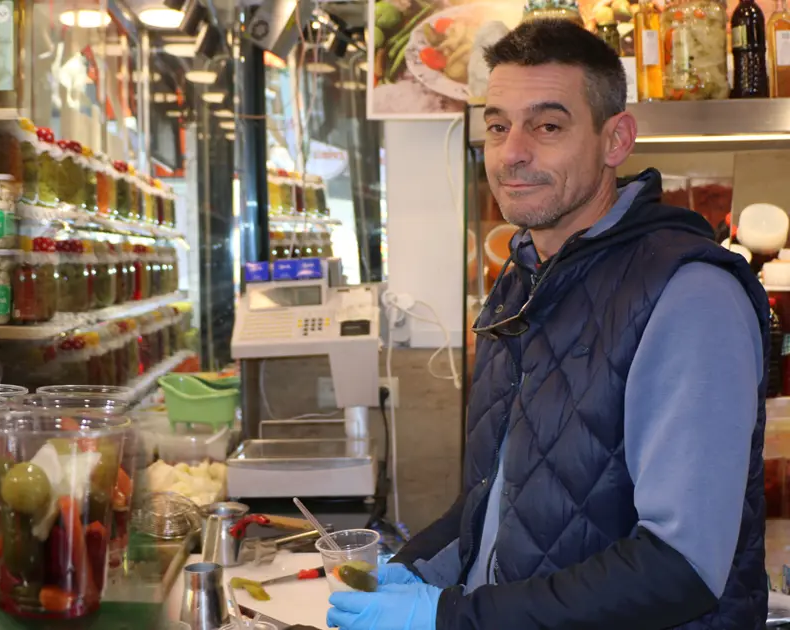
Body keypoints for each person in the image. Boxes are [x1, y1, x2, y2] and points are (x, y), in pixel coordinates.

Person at [327, 19, 768, 630]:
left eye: (548, 126)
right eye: (499, 126)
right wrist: (416, 568)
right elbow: (506, 493)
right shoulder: (522, 282)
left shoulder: (689, 295)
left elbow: (680, 568)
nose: (512, 153)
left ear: (616, 140)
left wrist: (450, 617)